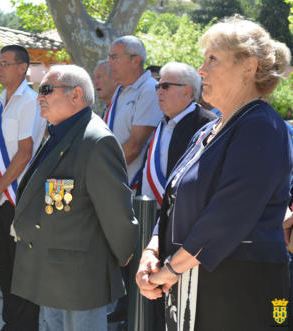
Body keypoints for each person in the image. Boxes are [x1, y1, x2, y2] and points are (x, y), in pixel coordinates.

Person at [136, 16, 292, 331]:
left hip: (239, 293)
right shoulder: (208, 130)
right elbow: (175, 199)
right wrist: (152, 251)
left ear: (248, 67)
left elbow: (226, 218)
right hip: (194, 289)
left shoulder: (261, 127)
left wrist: (168, 271)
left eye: (212, 60)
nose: (201, 70)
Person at [10, 64, 138, 331]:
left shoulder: (96, 141)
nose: (39, 97)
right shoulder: (61, 133)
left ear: (76, 95)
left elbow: (116, 211)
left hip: (81, 275)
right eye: (38, 90)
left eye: (46, 89)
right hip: (53, 268)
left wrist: (123, 253)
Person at [0, 45, 45, 330]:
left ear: (22, 68)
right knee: (5, 266)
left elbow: (24, 152)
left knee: (22, 266)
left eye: (5, 63)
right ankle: (11, 322)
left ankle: (24, 325)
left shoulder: (30, 101)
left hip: (19, 196)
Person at [139, 62, 217, 207]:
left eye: (165, 86)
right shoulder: (162, 122)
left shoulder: (208, 124)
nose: (159, 92)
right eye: (158, 86)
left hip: (179, 217)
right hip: (147, 213)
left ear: (187, 91)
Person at [107, 35, 162, 190]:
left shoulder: (150, 90)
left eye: (115, 57)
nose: (110, 63)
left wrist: (102, 169)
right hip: (113, 180)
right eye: (109, 57)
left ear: (135, 60)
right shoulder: (120, 89)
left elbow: (134, 147)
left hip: (131, 187)